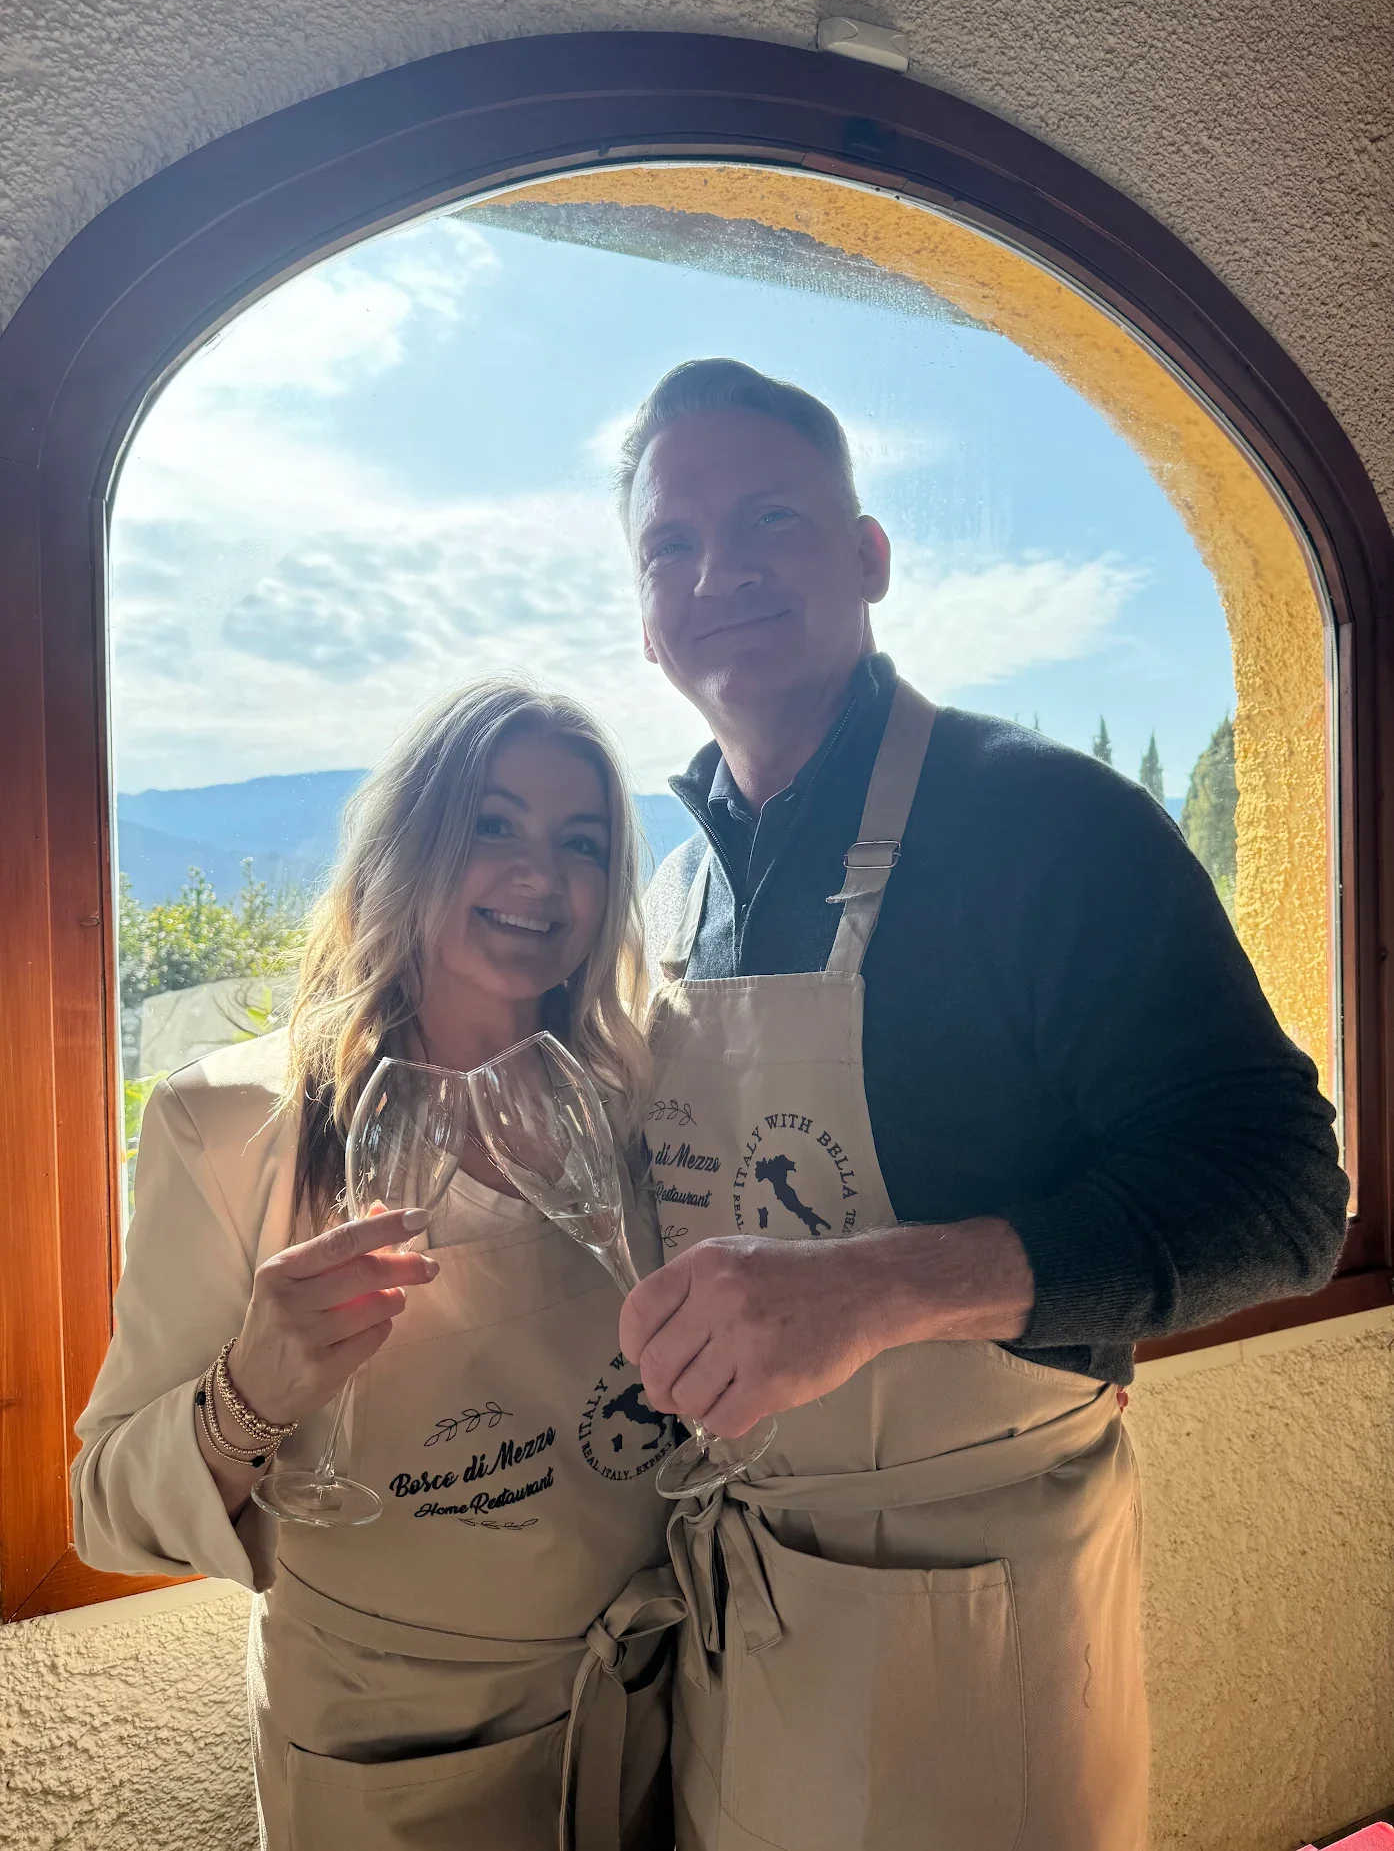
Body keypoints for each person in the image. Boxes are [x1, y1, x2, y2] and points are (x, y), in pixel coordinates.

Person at [614, 359, 1350, 1851]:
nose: (718, 570)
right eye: (669, 545)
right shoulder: (677, 885)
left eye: (769, 518)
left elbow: (1286, 1199)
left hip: (983, 1631)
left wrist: (877, 1286)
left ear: (870, 557)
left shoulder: (1045, 824)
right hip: (736, 1619)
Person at [73, 680, 684, 1851]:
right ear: (412, 845)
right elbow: (102, 1506)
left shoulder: (638, 1099)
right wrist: (250, 1389)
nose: (538, 877)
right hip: (391, 1758)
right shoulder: (227, 1125)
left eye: (580, 843)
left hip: (654, 1706)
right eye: (492, 825)